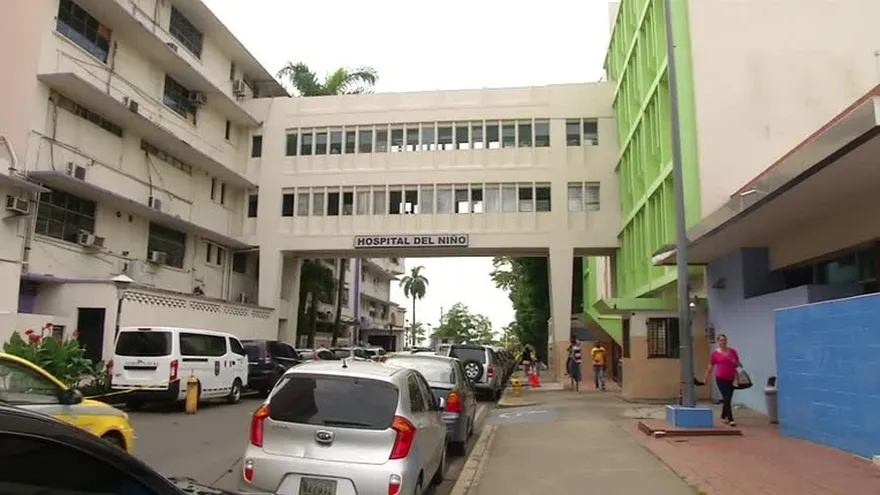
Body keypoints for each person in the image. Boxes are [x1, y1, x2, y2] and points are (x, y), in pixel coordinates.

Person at [704, 334, 741, 427]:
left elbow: (737, 364)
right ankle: (731, 419)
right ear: (718, 342)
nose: (723, 342)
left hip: (731, 378)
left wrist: (735, 362)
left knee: (728, 399)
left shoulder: (733, 352)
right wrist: (706, 377)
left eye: (724, 340)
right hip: (720, 378)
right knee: (726, 398)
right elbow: (710, 366)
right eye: (721, 340)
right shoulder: (715, 354)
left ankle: (723, 415)